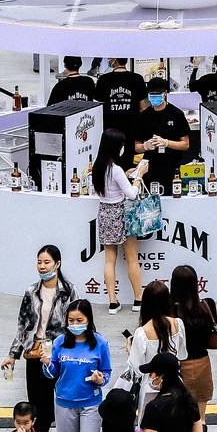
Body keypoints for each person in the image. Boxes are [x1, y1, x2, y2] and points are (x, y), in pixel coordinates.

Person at [45, 300, 113, 432]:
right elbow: (51, 373)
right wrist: (47, 364)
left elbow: (107, 373)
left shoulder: (100, 343)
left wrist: (99, 379)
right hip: (64, 403)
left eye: (79, 320)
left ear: (88, 320)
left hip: (91, 404)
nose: (74, 324)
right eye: (71, 320)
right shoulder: (59, 343)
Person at [3, 245, 76, 432]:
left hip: (58, 353)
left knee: (61, 399)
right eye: (39, 262)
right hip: (34, 352)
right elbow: (23, 325)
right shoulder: (31, 291)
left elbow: (79, 321)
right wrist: (12, 355)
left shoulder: (69, 291)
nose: (42, 266)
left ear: (57, 263)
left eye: (47, 262)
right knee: (36, 403)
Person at [163, 265, 217, 432]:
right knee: (200, 416)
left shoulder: (168, 312)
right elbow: (211, 336)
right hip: (201, 364)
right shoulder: (205, 306)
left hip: (177, 367)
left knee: (175, 415)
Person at [93, 132, 145, 312]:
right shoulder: (115, 169)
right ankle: (138, 299)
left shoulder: (98, 167)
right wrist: (139, 176)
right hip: (122, 214)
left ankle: (112, 302)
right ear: (116, 147)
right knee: (131, 257)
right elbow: (131, 193)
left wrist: (126, 175)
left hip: (105, 213)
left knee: (109, 260)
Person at [123, 281, 187, 410]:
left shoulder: (142, 332)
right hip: (175, 382)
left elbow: (137, 367)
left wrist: (130, 349)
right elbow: (182, 354)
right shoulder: (177, 324)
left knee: (149, 424)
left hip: (150, 385)